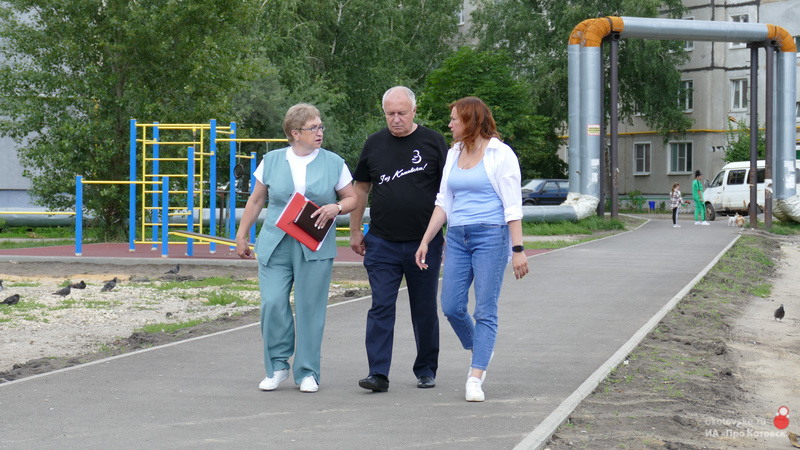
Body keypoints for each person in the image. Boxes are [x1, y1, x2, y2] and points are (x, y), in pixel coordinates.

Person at [235, 103, 357, 393]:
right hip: (275, 243)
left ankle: (308, 372)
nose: (319, 132)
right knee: (273, 303)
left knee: (310, 309)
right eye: (312, 128)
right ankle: (277, 366)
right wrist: (242, 235)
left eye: (320, 126)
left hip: (314, 245)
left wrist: (336, 207)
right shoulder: (273, 160)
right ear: (295, 133)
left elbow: (352, 198)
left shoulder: (334, 162)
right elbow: (256, 200)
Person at [415, 96, 529, 402]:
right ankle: (481, 347)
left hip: (491, 236)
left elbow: (512, 206)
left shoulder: (500, 153)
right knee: (451, 306)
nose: (450, 124)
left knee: (485, 309)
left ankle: (475, 377)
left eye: (454, 119)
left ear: (471, 121)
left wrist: (518, 249)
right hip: (457, 237)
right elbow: (444, 201)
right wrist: (426, 239)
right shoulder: (454, 153)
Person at [349, 86, 448, 392]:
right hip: (381, 242)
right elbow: (361, 189)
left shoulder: (434, 142)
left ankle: (426, 368)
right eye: (390, 114)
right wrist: (356, 231)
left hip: (424, 243)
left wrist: (449, 237)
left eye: (401, 113)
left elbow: (449, 193)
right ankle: (378, 373)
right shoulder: (374, 144)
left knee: (424, 307)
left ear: (413, 111)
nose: (395, 119)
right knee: (381, 306)